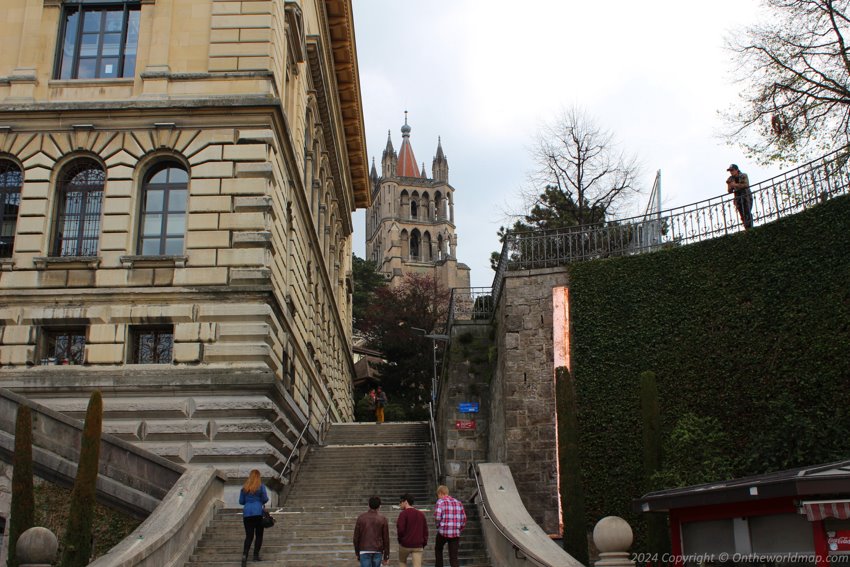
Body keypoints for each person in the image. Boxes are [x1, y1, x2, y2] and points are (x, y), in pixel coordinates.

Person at [238, 469, 269, 566]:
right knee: (259, 535)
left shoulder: (244, 488)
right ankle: (255, 555)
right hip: (258, 513)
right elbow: (265, 499)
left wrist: (249, 501)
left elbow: (241, 501)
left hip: (247, 513)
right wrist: (259, 501)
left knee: (249, 536)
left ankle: (244, 555)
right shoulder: (261, 486)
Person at [434, 485, 466, 567]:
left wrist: (438, 526)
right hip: (455, 533)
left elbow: (437, 517)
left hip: (443, 532)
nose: (438, 497)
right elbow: (464, 519)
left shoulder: (440, 502)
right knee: (454, 557)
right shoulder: (458, 503)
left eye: (438, 495)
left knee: (438, 548)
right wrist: (459, 529)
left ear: (441, 493)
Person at [354, 495, 390, 567]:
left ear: (368, 505)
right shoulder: (383, 519)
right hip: (378, 550)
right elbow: (386, 539)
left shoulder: (361, 518)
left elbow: (356, 538)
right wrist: (386, 556)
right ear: (379, 506)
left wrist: (357, 553)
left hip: (364, 549)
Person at [397, 493, 428, 567]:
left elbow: (400, 530)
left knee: (402, 561)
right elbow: (425, 531)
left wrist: (401, 540)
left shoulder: (403, 514)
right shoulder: (421, 514)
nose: (399, 504)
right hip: (418, 545)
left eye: (401, 501)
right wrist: (423, 543)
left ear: (406, 502)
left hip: (405, 544)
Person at [726, 163, 753, 229]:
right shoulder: (730, 179)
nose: (731, 172)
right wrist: (729, 185)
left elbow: (746, 185)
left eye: (732, 170)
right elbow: (729, 191)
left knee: (747, 212)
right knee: (742, 215)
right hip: (738, 199)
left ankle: (750, 228)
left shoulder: (743, 175)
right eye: (730, 171)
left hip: (746, 197)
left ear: (736, 170)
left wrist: (735, 185)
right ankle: (746, 227)